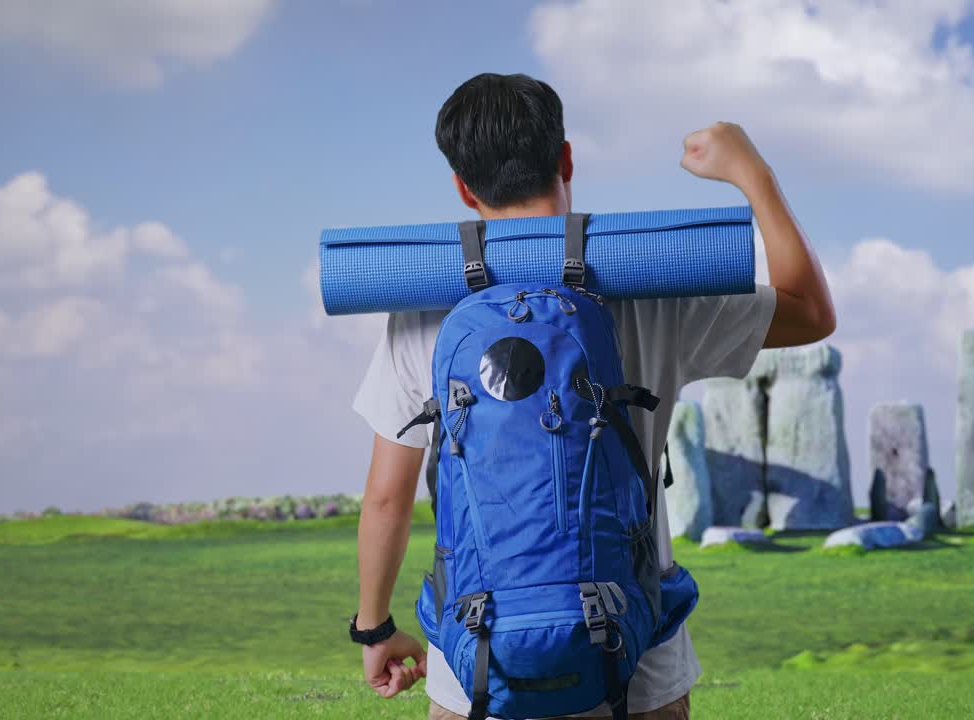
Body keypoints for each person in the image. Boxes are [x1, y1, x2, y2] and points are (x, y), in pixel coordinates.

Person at [350, 72, 836, 720]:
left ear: (464, 188)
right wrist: (753, 174)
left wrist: (375, 628)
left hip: (478, 661)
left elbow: (388, 497)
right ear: (566, 159)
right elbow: (811, 311)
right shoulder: (653, 289)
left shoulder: (422, 312)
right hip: (635, 658)